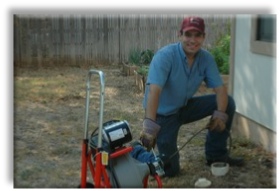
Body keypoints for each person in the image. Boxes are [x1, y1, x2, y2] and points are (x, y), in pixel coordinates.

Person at [139, 16, 244, 177]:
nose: (193, 40)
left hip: (184, 107)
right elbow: (154, 91)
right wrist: (149, 128)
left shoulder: (206, 59)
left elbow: (221, 90)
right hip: (163, 115)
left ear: (203, 37)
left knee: (227, 103)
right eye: (188, 35)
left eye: (197, 35)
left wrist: (220, 116)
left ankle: (216, 155)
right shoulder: (165, 56)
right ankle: (140, 156)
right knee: (171, 171)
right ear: (180, 35)